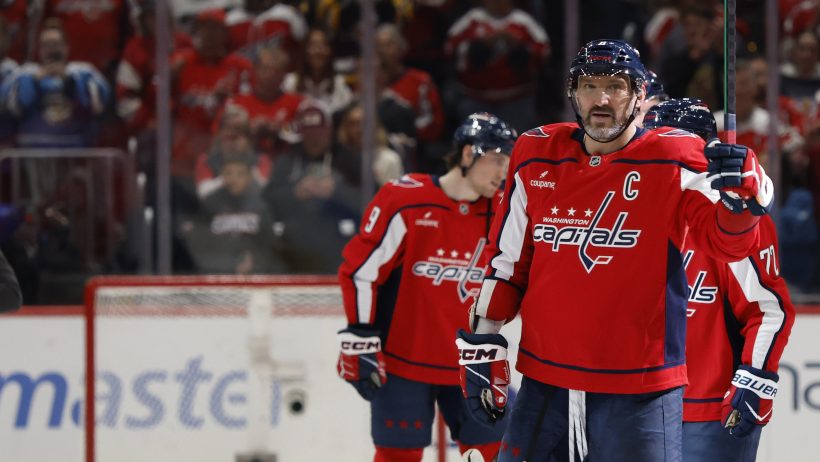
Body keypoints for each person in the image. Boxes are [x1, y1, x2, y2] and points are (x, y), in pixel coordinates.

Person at [455, 40, 773, 462]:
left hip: (641, 392)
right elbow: (508, 263)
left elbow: (729, 243)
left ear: (639, 96)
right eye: (589, 85)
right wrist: (484, 341)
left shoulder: (675, 156)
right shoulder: (536, 154)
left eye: (615, 86)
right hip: (545, 385)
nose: (601, 99)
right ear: (573, 94)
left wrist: (748, 197)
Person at [336, 113, 516, 462]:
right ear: (468, 155)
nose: (503, 172)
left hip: (474, 362)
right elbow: (361, 271)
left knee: (494, 453)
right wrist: (361, 335)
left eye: (507, 163)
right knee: (396, 456)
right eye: (496, 160)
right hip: (403, 361)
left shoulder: (506, 210)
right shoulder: (405, 200)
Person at [643, 98, 795, 462]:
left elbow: (768, 310)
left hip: (709, 410)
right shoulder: (632, 214)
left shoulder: (733, 217)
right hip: (639, 404)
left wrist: (755, 379)